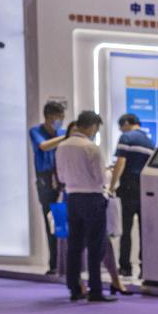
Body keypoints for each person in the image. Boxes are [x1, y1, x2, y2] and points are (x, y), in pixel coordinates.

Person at [54, 111, 112, 303]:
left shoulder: (61, 146)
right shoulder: (91, 148)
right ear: (93, 126)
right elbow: (100, 178)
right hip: (93, 198)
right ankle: (95, 290)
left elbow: (61, 177)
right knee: (96, 246)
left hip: (72, 198)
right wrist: (109, 176)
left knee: (74, 246)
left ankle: (74, 289)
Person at [108, 115, 154, 277]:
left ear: (126, 124)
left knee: (125, 229)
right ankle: (145, 267)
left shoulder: (126, 137)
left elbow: (121, 162)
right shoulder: (150, 142)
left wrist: (112, 185)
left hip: (128, 187)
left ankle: (125, 266)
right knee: (145, 230)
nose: (121, 130)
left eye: (121, 127)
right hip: (145, 188)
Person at [30, 100, 67, 279]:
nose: (59, 121)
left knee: (61, 222)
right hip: (45, 182)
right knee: (49, 223)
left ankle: (63, 263)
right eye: (57, 118)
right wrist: (66, 137)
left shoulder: (62, 133)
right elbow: (43, 146)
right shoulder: (36, 131)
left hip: (61, 181)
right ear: (48, 117)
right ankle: (53, 263)